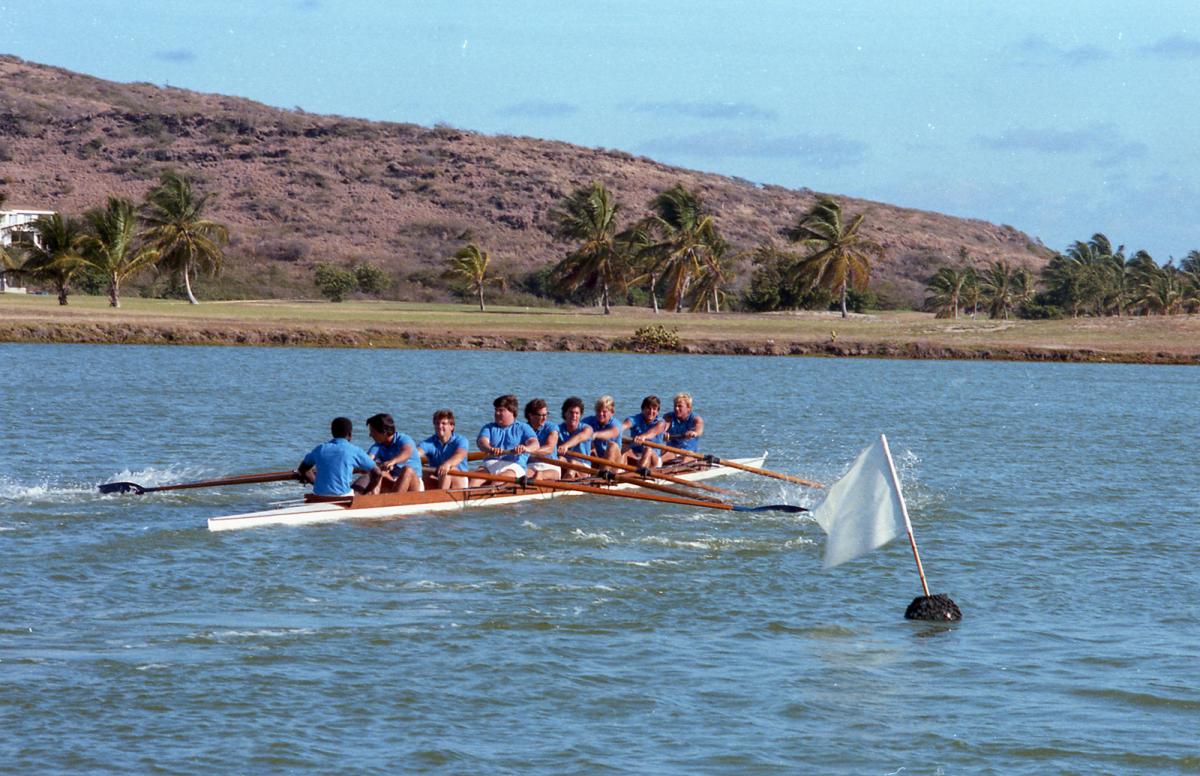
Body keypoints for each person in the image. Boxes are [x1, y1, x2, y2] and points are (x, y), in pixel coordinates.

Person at [298, 416, 386, 497]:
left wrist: (316, 482)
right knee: (366, 476)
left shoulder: (320, 449)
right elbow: (377, 473)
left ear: (332, 433)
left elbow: (303, 469)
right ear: (350, 435)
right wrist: (367, 491)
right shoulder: (354, 450)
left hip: (319, 495)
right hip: (343, 498)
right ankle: (365, 497)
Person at [469, 394, 539, 487]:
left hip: (514, 466)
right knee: (474, 481)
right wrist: (490, 449)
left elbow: (535, 443)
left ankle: (490, 492)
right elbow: (482, 442)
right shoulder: (489, 427)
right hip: (491, 463)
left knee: (497, 482)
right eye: (496, 410)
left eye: (501, 410)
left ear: (512, 412)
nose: (497, 413)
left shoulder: (523, 428)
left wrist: (525, 448)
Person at [364, 413, 423, 493]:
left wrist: (392, 462)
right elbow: (368, 460)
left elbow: (407, 452)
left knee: (407, 470)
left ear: (384, 432)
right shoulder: (377, 445)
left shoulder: (403, 439)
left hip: (414, 483)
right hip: (393, 480)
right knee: (379, 473)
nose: (370, 435)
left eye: (373, 431)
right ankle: (372, 501)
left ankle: (394, 502)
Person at [418, 409, 470, 490]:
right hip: (438, 477)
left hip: (459, 479)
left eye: (443, 423)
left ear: (451, 426)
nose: (439, 426)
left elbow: (460, 455)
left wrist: (447, 464)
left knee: (448, 470)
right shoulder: (429, 442)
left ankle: (439, 498)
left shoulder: (461, 440)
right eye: (437, 423)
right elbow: (417, 452)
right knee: (420, 471)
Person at [656, 392, 705, 464]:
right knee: (657, 451)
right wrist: (662, 433)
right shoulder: (669, 417)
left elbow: (699, 428)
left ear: (688, 408)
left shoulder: (696, 419)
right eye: (675, 406)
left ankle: (657, 464)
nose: (676, 408)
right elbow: (664, 426)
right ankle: (653, 464)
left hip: (689, 454)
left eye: (680, 406)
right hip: (671, 451)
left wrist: (694, 433)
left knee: (685, 458)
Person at [621, 394, 666, 469]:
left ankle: (640, 474)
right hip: (636, 455)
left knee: (647, 449)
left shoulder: (660, 423)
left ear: (657, 412)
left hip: (654, 458)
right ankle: (617, 474)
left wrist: (643, 437)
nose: (651, 411)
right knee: (624, 448)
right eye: (648, 408)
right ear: (642, 409)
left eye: (654, 409)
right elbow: (623, 426)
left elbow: (652, 433)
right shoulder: (635, 419)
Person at [523, 398, 561, 481]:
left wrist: (527, 451)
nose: (544, 418)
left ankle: (539, 476)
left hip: (550, 465)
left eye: (546, 414)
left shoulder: (552, 427)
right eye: (541, 415)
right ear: (531, 415)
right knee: (520, 474)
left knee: (543, 474)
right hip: (531, 465)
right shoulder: (523, 429)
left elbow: (549, 448)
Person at [556, 396, 593, 480]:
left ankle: (562, 487)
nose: (574, 416)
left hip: (584, 467)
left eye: (577, 413)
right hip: (566, 463)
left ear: (580, 415)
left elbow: (579, 438)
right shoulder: (557, 429)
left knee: (573, 463)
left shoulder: (587, 429)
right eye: (571, 412)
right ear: (565, 413)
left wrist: (565, 446)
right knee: (560, 459)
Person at [582, 395, 622, 469]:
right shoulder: (588, 421)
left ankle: (604, 474)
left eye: (604, 412)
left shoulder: (616, 424)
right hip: (597, 458)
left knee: (612, 445)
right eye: (598, 411)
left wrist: (595, 435)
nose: (600, 414)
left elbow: (612, 433)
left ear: (612, 412)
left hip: (614, 463)